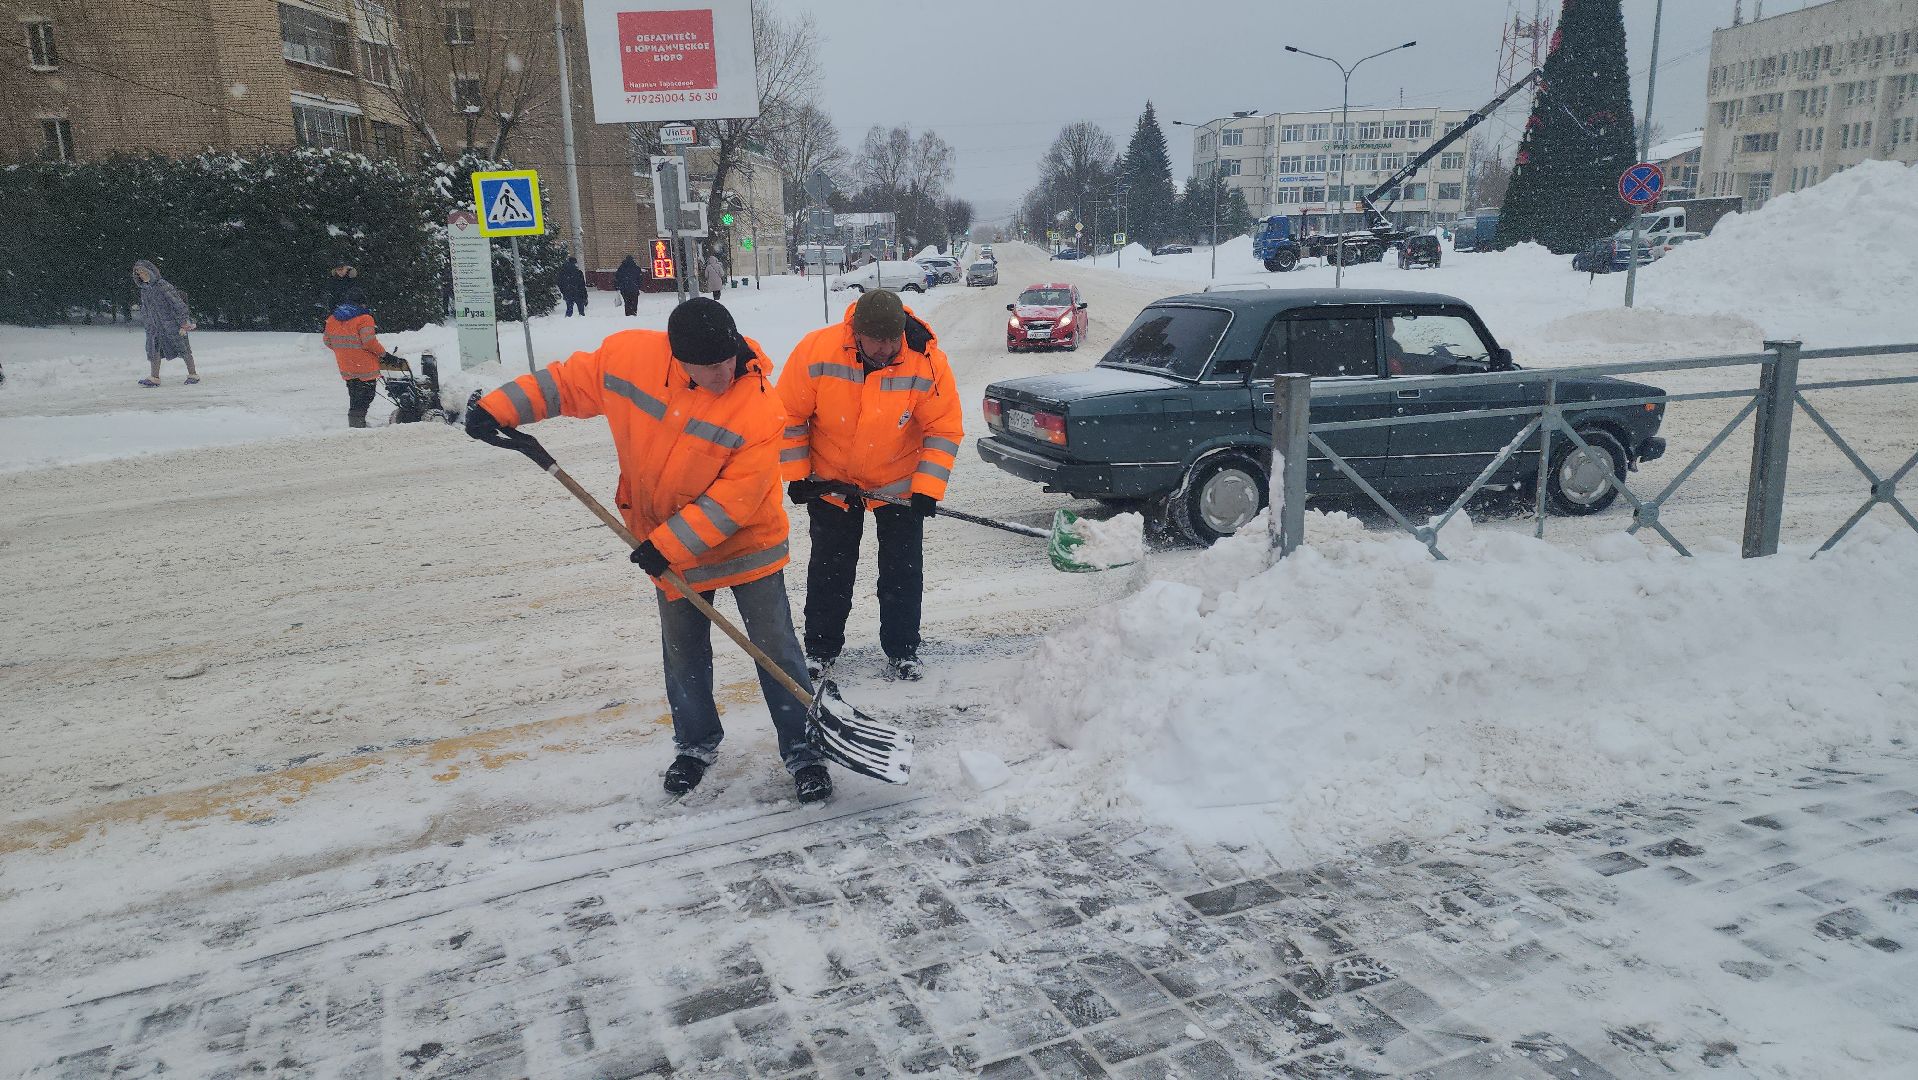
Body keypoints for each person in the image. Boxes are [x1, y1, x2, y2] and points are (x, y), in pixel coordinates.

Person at [464, 298, 831, 803]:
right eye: (708, 367)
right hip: (665, 541)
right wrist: (497, 408)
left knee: (774, 648)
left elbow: (735, 500)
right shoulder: (629, 359)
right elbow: (566, 384)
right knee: (683, 651)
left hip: (747, 543)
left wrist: (666, 545)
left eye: (728, 360)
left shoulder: (760, 406)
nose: (723, 373)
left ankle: (805, 750)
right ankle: (695, 745)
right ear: (678, 359)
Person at [777, 289, 962, 682]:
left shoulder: (927, 362)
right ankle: (821, 650)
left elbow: (942, 429)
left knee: (902, 570)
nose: (886, 347)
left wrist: (927, 487)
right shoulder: (817, 351)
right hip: (833, 481)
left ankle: (903, 650)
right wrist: (798, 475)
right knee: (830, 568)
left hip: (898, 482)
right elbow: (788, 417)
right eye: (877, 340)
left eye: (892, 339)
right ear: (855, 333)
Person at [323, 288, 387, 428]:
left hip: (346, 366)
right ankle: (357, 427)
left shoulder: (333, 318)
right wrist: (384, 354)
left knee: (355, 397)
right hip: (364, 367)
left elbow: (327, 341)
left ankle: (355, 424)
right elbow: (369, 342)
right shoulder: (364, 318)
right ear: (362, 303)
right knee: (365, 397)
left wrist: (344, 351)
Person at [133, 260, 199, 387]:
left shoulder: (162, 285)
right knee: (154, 349)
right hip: (154, 327)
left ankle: (193, 374)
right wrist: (147, 322)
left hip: (171, 324)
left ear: (150, 271)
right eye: (138, 273)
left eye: (143, 271)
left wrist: (183, 321)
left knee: (183, 348)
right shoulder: (144, 290)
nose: (141, 274)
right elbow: (146, 308)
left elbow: (177, 303)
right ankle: (154, 377)